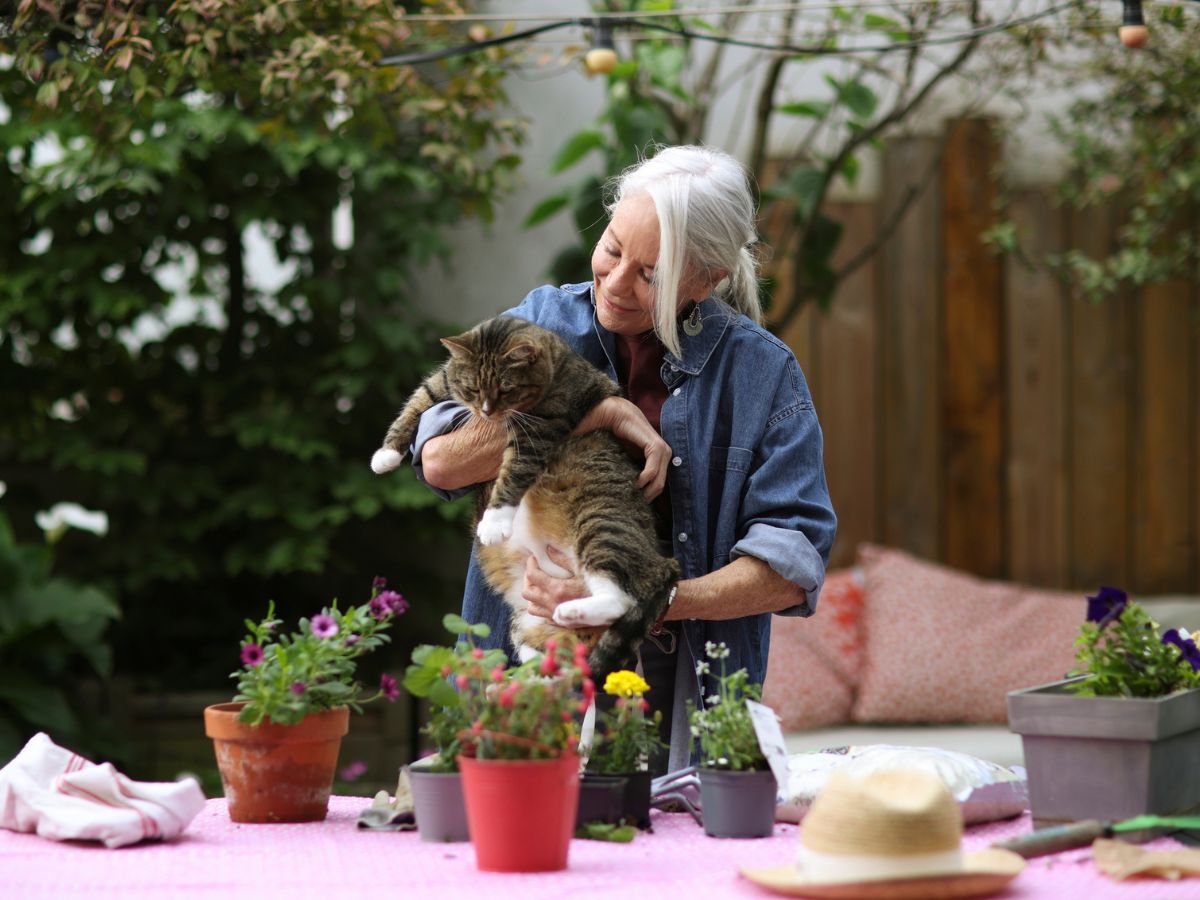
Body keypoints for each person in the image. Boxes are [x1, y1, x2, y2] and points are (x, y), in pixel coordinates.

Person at [410, 145, 836, 773]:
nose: (615, 283)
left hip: (682, 689)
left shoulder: (762, 374)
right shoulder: (544, 321)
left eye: (651, 274)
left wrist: (649, 601)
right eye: (612, 248)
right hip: (526, 669)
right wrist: (590, 409)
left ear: (708, 277)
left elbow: (792, 561)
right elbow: (443, 461)